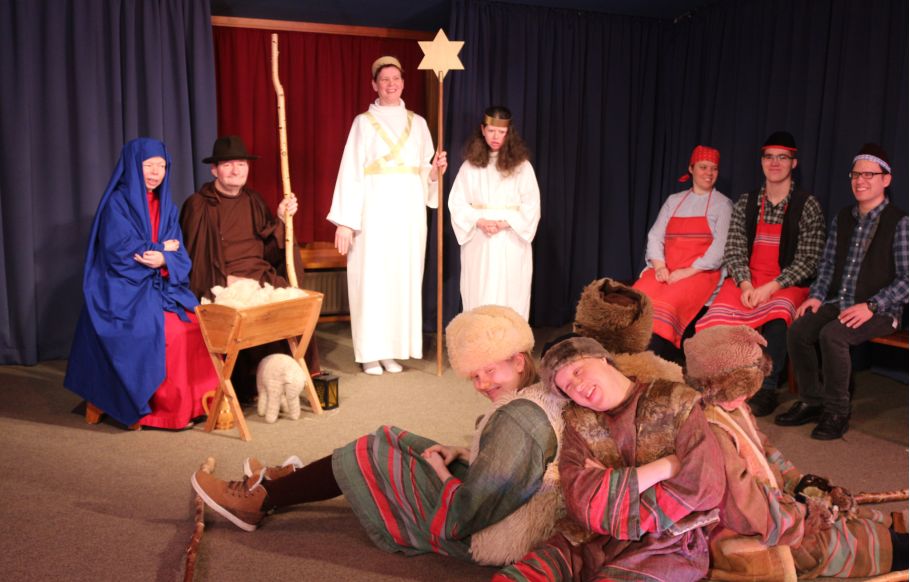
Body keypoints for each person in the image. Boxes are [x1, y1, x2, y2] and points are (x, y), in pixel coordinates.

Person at [191, 305, 569, 566]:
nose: (483, 384)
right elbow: (513, 467)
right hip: (498, 503)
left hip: (483, 530)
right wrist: (463, 452)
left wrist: (442, 473)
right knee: (391, 438)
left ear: (518, 360)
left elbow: (469, 511)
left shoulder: (518, 420)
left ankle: (261, 500)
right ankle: (286, 481)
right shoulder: (532, 394)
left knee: (367, 453)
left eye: (490, 371)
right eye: (475, 376)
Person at [684, 325, 906, 579]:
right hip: (751, 526)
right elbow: (743, 507)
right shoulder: (713, 435)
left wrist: (798, 482)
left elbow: (764, 448)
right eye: (740, 390)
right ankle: (896, 548)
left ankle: (893, 530)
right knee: (839, 545)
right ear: (715, 388)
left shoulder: (731, 406)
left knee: (845, 512)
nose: (746, 397)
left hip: (773, 504)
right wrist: (801, 516)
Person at [496, 335, 725, 581]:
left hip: (667, 541)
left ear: (602, 358)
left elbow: (705, 484)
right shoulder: (578, 422)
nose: (577, 386)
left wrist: (608, 487)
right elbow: (581, 502)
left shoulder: (675, 399)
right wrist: (664, 468)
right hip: (585, 541)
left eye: (577, 371)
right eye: (568, 387)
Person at [65, 138, 218, 429]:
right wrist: (161, 249)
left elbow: (179, 253)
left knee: (198, 324)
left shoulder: (167, 206)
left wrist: (164, 259)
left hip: (160, 286)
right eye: (149, 165)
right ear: (134, 166)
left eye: (161, 166)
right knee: (170, 332)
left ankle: (197, 405)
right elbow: (120, 251)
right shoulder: (117, 204)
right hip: (122, 289)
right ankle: (161, 411)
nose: (156, 172)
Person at [778, 144, 908, 440]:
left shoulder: (900, 222)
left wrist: (872, 305)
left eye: (869, 174)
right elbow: (827, 265)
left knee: (832, 335)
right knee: (799, 330)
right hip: (841, 301)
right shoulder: (843, 218)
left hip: (881, 310)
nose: (860, 180)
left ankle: (837, 411)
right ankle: (812, 400)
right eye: (856, 174)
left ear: (886, 180)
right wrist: (816, 295)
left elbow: (907, 280)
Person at [327, 56, 447, 376]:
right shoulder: (363, 122)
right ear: (374, 85)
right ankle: (371, 352)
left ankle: (393, 350)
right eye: (384, 80)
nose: (391, 84)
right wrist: (346, 221)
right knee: (372, 279)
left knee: (401, 278)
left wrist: (435, 172)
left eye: (396, 78)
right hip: (374, 212)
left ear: (403, 83)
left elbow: (424, 172)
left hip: (408, 214)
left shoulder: (418, 123)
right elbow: (351, 171)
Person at [696, 131, 826, 418]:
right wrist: (745, 284)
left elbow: (809, 260)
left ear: (794, 163)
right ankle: (723, 383)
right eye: (769, 157)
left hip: (786, 282)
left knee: (779, 316)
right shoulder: (747, 201)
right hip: (749, 278)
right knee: (716, 317)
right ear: (762, 161)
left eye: (782, 157)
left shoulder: (808, 204)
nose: (775, 163)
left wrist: (771, 287)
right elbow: (734, 248)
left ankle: (766, 387)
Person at [179, 135, 315, 401]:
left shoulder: (253, 200)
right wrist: (224, 279)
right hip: (222, 280)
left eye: (241, 164)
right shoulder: (198, 205)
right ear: (214, 170)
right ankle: (249, 385)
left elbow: (270, 251)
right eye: (228, 164)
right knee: (243, 308)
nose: (235, 170)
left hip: (260, 276)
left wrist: (280, 220)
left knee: (295, 301)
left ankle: (287, 377)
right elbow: (194, 259)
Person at [633, 145, 732, 362]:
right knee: (637, 297)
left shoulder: (723, 204)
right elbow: (655, 236)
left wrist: (687, 272)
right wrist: (660, 266)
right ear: (691, 168)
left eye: (714, 169)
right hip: (667, 269)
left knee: (670, 302)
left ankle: (657, 357)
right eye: (703, 167)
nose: (709, 173)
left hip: (700, 273)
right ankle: (629, 353)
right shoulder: (674, 201)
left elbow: (720, 249)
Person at [448, 106, 540, 319]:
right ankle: (479, 338)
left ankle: (511, 338)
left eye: (501, 132)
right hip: (479, 240)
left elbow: (531, 204)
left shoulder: (522, 167)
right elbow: (457, 202)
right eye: (491, 131)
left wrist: (506, 222)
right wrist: (478, 220)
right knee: (479, 290)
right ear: (483, 130)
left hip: (510, 238)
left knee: (510, 291)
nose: (496, 137)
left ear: (508, 133)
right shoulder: (470, 166)